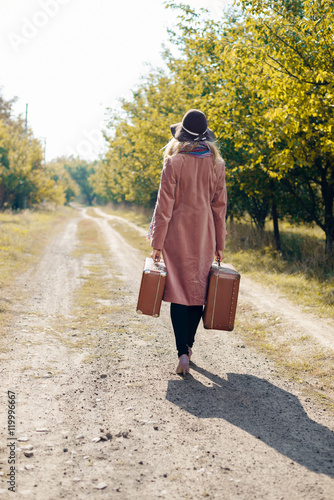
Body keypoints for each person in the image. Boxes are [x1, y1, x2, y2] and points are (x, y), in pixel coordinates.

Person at [149, 109, 227, 375]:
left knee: (179, 294)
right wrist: (220, 244)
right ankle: (189, 347)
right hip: (205, 235)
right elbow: (220, 208)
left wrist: (156, 243)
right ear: (206, 136)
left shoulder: (173, 162)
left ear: (181, 136)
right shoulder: (217, 165)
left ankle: (182, 351)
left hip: (176, 235)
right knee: (197, 292)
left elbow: (164, 207)